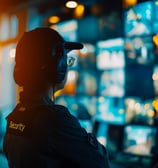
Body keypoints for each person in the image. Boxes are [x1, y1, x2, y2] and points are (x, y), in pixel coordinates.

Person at [3, 27, 110, 168]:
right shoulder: (55, 119)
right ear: (56, 67)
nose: (67, 67)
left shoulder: (16, 116)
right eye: (66, 60)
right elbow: (100, 161)